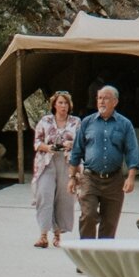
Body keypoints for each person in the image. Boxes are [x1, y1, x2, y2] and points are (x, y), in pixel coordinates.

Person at [69, 85, 139, 239]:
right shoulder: (87, 122)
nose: (101, 101)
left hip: (114, 181)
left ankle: (103, 254)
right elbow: (76, 151)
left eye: (106, 98)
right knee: (88, 215)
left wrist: (131, 178)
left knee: (109, 223)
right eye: (99, 98)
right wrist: (72, 177)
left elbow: (132, 151)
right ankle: (87, 253)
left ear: (115, 102)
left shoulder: (125, 124)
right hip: (90, 178)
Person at [30, 91, 79, 248]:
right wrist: (48, 147)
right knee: (45, 195)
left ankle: (57, 233)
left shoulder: (76, 122)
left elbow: (82, 142)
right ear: (54, 105)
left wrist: (71, 144)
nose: (63, 106)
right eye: (60, 103)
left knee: (63, 198)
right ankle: (43, 235)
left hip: (66, 162)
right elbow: (37, 143)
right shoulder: (45, 121)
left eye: (66, 103)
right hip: (47, 162)